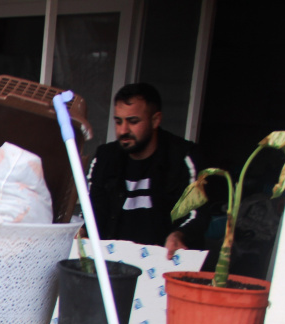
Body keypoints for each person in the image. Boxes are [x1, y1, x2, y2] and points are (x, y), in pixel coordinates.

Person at [86, 83, 205, 258]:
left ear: (155, 120)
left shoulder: (183, 157)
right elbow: (91, 209)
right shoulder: (105, 157)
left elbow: (198, 212)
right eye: (118, 122)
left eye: (133, 121)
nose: (123, 130)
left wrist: (179, 235)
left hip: (165, 263)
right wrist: (81, 232)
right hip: (111, 263)